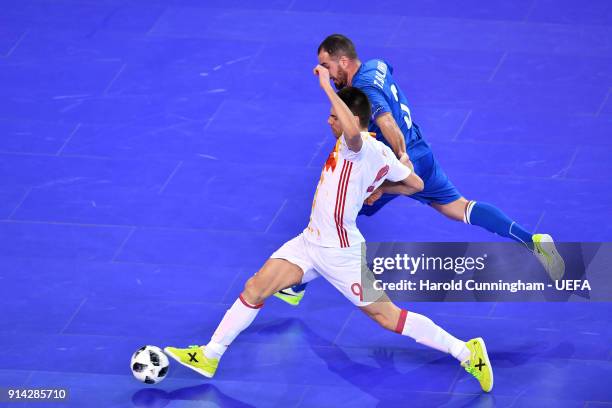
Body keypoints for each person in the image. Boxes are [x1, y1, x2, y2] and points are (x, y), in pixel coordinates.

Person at [164, 65, 494, 393]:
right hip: (310, 241)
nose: (329, 120)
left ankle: (467, 352)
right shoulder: (375, 149)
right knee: (256, 287)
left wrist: (327, 86)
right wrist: (380, 189)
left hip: (340, 252)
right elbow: (415, 183)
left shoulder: (359, 146)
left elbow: (372, 148)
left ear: (350, 118)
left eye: (334, 116)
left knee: (386, 317)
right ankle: (210, 355)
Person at [275, 34, 564, 306]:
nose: (323, 71)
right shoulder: (376, 65)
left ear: (344, 61)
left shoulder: (364, 88)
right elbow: (387, 77)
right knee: (459, 208)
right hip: (422, 150)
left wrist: (401, 158)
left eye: (327, 65)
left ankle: (298, 285)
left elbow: (386, 120)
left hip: (396, 161)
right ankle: (533, 241)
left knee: (334, 215)